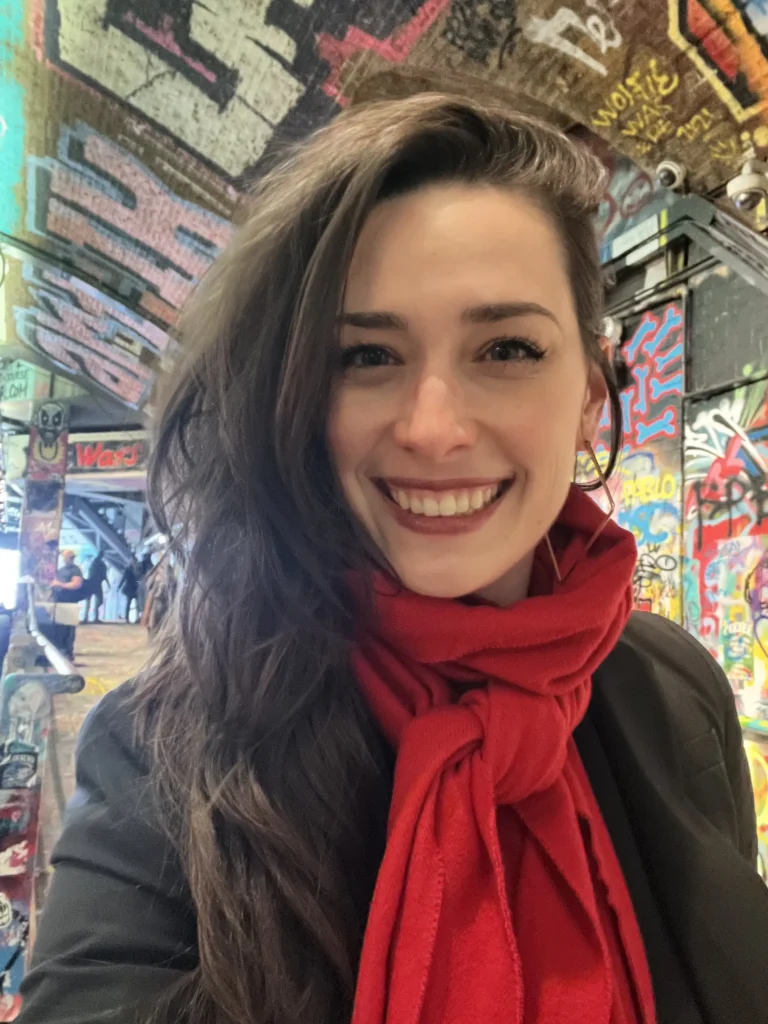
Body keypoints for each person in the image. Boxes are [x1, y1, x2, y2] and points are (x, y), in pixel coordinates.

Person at [19, 95, 768, 1024]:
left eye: (506, 348)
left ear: (588, 388)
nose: (433, 427)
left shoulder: (674, 693)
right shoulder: (165, 752)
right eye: (367, 356)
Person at [50, 549, 84, 660]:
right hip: (60, 602)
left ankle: (68, 652)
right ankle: (61, 650)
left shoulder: (75, 570)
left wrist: (60, 584)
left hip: (70, 603)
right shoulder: (61, 570)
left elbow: (76, 584)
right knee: (60, 629)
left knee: (68, 630)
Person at [85, 551, 108, 623]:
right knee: (95, 601)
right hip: (95, 583)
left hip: (93, 583)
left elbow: (103, 574)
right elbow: (104, 574)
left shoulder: (95, 563)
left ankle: (89, 617)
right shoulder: (99, 563)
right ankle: (91, 617)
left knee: (94, 601)